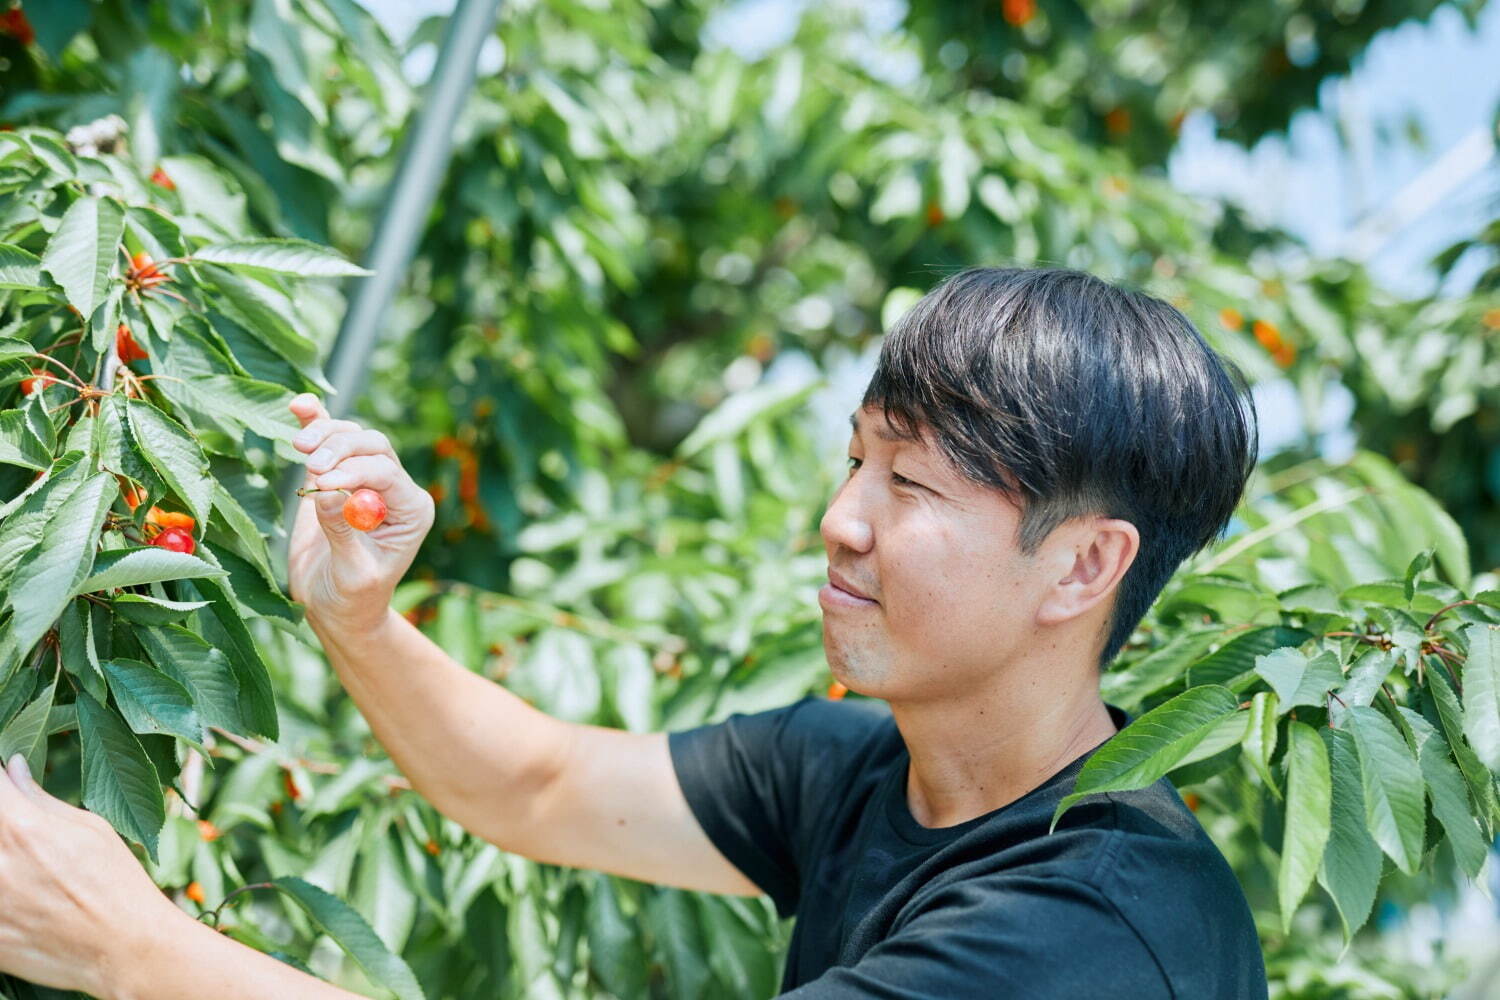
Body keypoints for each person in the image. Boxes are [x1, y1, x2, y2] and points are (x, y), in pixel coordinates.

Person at [0, 267, 1267, 999]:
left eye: (911, 487)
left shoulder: (1093, 923)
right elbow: (545, 784)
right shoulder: (880, 769)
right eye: (854, 464)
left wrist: (133, 945)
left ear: (1084, 566)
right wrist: (360, 622)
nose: (840, 521)